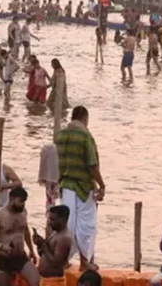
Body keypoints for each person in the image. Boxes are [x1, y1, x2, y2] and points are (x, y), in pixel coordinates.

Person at [56, 106, 105, 271]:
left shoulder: (60, 135)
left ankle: (63, 260)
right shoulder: (85, 136)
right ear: (85, 118)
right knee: (87, 225)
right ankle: (85, 263)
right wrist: (102, 185)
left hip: (66, 185)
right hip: (83, 187)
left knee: (68, 224)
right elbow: (92, 165)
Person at [0, 187, 39, 286]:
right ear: (11, 199)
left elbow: (26, 231)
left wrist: (31, 250)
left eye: (25, 202)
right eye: (21, 201)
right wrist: (2, 246)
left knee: (35, 281)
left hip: (20, 256)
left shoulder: (23, 212)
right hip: (3, 258)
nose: (23, 204)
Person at [33, 205, 73, 286]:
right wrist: (39, 245)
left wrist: (43, 245)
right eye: (49, 218)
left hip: (54, 282)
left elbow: (56, 263)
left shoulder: (64, 238)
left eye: (52, 219)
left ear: (63, 220)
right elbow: (44, 255)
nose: (49, 222)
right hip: (45, 280)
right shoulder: (55, 233)